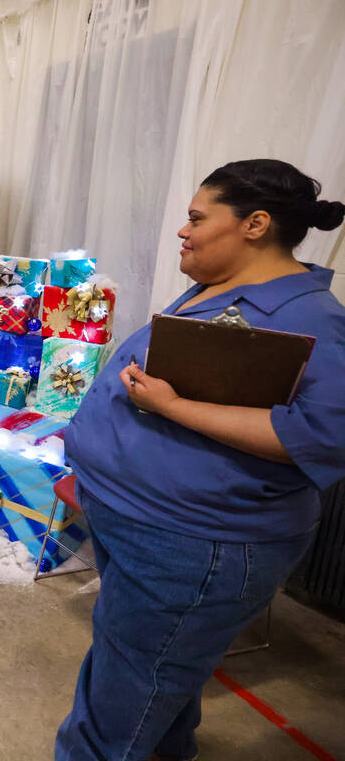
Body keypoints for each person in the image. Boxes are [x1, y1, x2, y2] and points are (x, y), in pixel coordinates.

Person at [55, 160, 345, 761]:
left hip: (188, 542)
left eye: (196, 218)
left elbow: (325, 435)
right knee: (154, 669)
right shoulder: (223, 287)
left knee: (121, 697)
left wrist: (174, 407)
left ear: (256, 224)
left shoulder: (312, 320)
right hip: (137, 521)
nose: (182, 232)